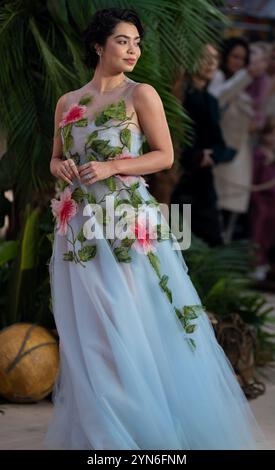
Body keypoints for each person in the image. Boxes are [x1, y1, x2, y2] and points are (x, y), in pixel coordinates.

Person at [45, 8, 265, 450]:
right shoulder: (68, 102)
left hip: (127, 223)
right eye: (123, 41)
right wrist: (62, 165)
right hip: (78, 227)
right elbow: (53, 159)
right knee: (87, 331)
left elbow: (164, 156)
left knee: (128, 323)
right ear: (98, 45)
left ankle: (139, 434)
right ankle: (99, 436)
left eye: (137, 43)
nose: (133, 50)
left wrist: (111, 165)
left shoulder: (140, 94)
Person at [171, 44, 236, 246]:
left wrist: (213, 155)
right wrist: (198, 156)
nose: (210, 63)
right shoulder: (177, 96)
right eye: (205, 57)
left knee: (213, 242)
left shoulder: (211, 101)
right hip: (178, 181)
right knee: (179, 244)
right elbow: (174, 138)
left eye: (215, 59)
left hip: (204, 184)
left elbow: (219, 144)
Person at [250, 116, 275, 281]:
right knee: (257, 231)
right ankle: (254, 263)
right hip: (260, 199)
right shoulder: (259, 154)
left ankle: (264, 262)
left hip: (273, 200)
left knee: (269, 233)